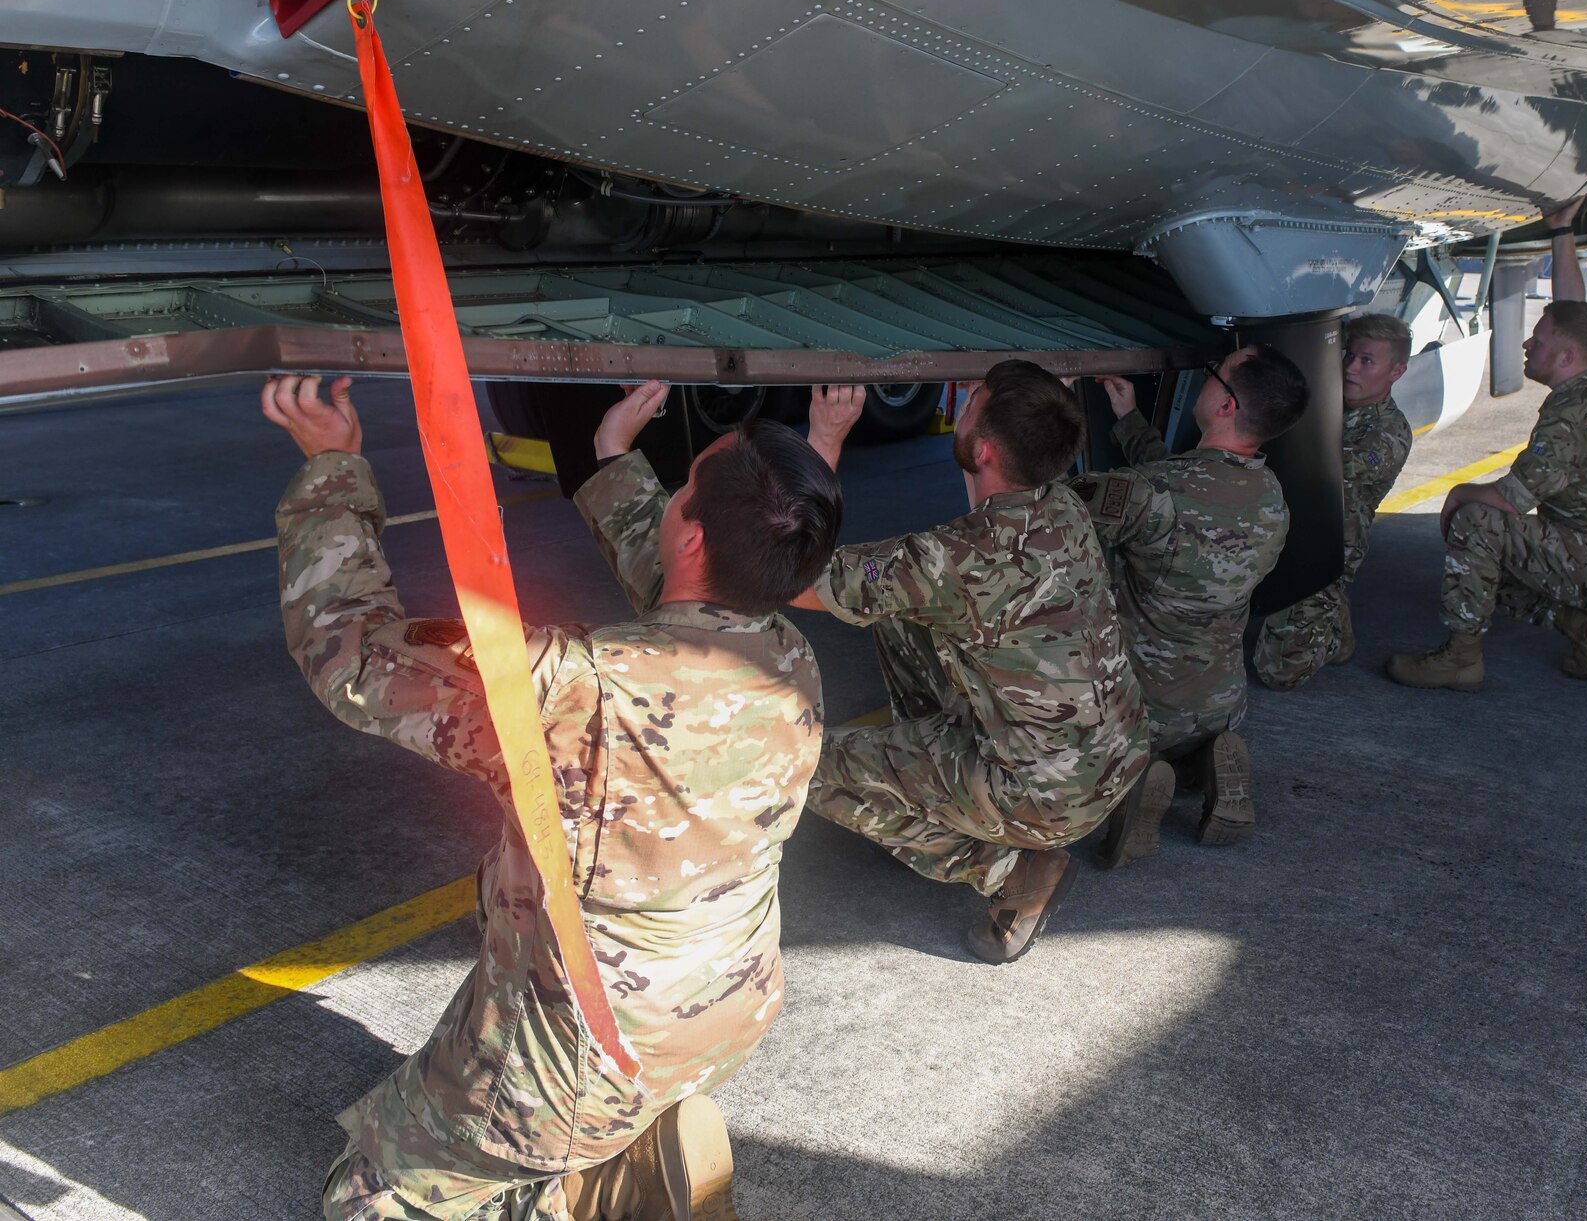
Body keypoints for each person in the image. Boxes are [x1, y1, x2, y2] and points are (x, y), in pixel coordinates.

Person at [263, 374, 842, 1221]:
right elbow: (691, 589)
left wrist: (334, 465)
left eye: (682, 490)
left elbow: (349, 652)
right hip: (724, 1015)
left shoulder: (571, 691)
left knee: (364, 1199)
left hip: (579, 1060)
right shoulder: (789, 659)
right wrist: (611, 458)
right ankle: (625, 1141)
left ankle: (578, 1189)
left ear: (693, 534)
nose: (675, 500)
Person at [791, 362, 1150, 964]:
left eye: (970, 403)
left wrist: (824, 440)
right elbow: (958, 551)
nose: (960, 408)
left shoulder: (951, 560)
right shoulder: (1064, 505)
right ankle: (936, 764)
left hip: (1043, 797)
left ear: (982, 448)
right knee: (902, 615)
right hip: (1120, 749)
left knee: (799, 764)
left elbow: (802, 576)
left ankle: (1007, 870)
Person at [1386, 200, 1587, 689]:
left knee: (1475, 525)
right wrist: (1562, 228)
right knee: (1489, 545)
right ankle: (1581, 627)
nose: (1528, 346)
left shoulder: (1569, 418)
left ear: (1567, 356)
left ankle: (1461, 659)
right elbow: (1577, 311)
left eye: (1540, 341)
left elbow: (1511, 500)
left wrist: (1459, 493)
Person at [1069, 346, 1310, 865]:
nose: (1206, 380)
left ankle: (1134, 786)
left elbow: (1050, 507)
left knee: (1054, 741)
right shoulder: (1271, 496)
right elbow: (1183, 490)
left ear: (1224, 405)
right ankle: (1207, 761)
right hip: (1220, 700)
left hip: (1141, 704)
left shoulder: (1152, 491)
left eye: (1213, 375)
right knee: (1189, 728)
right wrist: (1128, 418)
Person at [1251, 315, 1415, 690]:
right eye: (1348, 355)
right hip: (1282, 523)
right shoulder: (1326, 401)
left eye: (1366, 361)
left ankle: (1331, 618)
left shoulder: (1388, 434)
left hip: (1324, 548)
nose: (1351, 368)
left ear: (1397, 371)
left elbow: (1315, 471)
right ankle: (1328, 609)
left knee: (1278, 673)